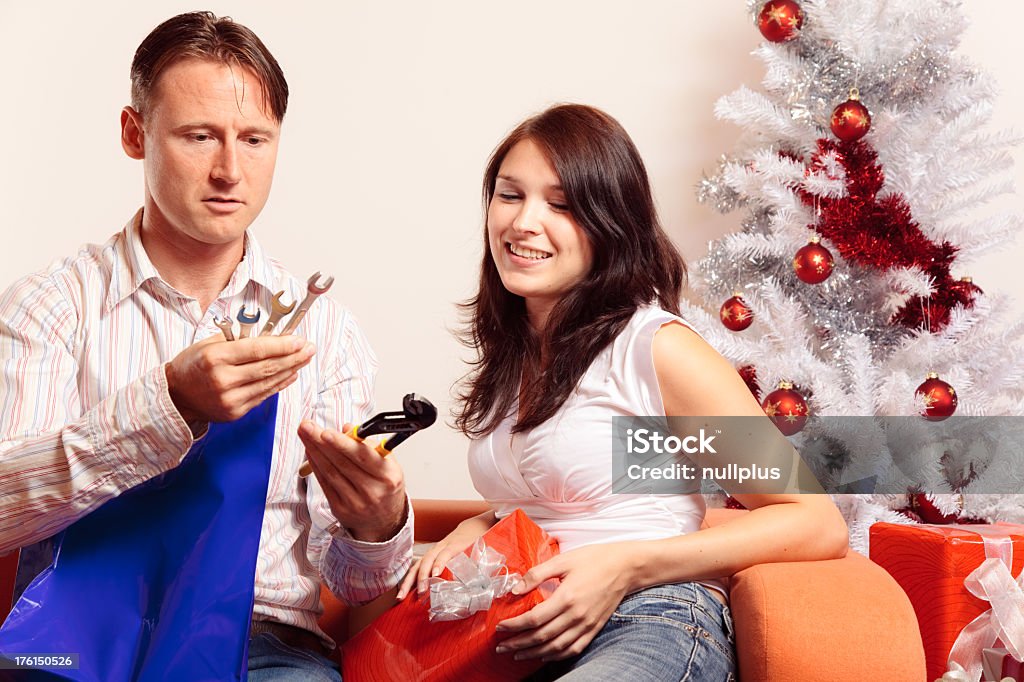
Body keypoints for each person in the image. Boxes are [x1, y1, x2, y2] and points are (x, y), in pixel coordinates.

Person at [0, 12, 410, 681]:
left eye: (254, 139)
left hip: (265, 648)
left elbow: (359, 583)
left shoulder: (326, 332)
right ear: (136, 134)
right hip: (76, 637)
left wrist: (379, 522)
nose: (229, 170)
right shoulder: (53, 305)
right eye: (199, 136)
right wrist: (167, 405)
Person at [399, 104, 849, 680]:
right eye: (510, 195)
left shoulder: (655, 349)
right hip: (523, 626)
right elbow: (568, 495)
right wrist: (482, 525)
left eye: (561, 205)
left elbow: (814, 521)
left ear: (611, 224)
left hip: (648, 617)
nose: (523, 222)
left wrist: (626, 567)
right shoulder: (516, 354)